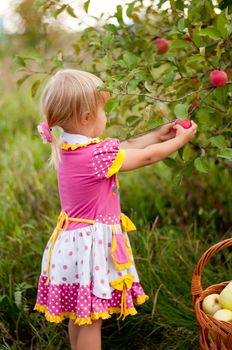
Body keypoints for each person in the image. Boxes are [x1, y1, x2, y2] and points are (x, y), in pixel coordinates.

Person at [34, 69, 197, 350]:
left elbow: (127, 146)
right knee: (90, 319)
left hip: (72, 244)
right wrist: (180, 141)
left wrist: (157, 135)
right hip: (88, 248)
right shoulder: (96, 156)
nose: (105, 116)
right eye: (103, 110)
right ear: (87, 117)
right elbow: (145, 156)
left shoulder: (74, 148)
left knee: (80, 315)